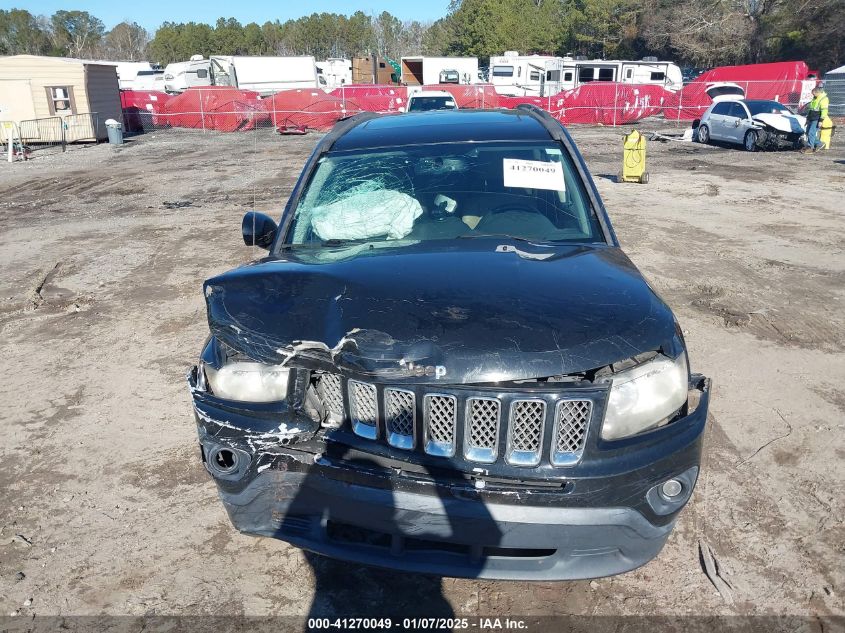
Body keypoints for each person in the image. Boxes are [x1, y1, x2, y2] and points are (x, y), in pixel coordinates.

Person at [802, 86, 829, 153]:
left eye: (814, 94)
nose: (813, 95)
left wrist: (821, 121)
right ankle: (820, 144)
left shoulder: (824, 99)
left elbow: (824, 111)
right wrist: (807, 119)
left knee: (811, 132)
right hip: (811, 117)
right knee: (808, 132)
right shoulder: (815, 98)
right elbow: (811, 109)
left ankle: (810, 147)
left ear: (818, 92)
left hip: (817, 118)